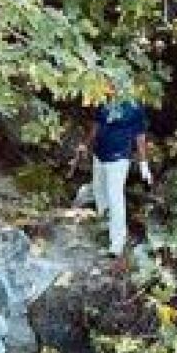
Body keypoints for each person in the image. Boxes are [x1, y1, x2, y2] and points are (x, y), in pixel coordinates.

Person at [74, 73, 153, 260]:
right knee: (100, 192)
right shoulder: (103, 101)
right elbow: (96, 125)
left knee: (115, 196)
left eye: (112, 83)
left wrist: (143, 164)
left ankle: (117, 244)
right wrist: (85, 144)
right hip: (99, 155)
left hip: (119, 159)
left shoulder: (134, 107)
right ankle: (104, 228)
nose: (109, 86)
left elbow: (140, 136)